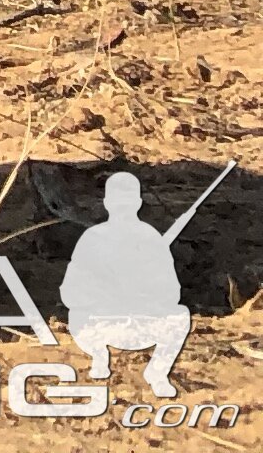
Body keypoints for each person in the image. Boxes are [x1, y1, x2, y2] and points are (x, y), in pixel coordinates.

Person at [62, 170, 195, 396]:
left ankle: (157, 372)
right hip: (98, 325)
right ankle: (99, 356)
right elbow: (69, 293)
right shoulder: (92, 238)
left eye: (127, 202)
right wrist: (102, 294)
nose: (122, 207)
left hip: (140, 324)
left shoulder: (151, 238)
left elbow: (172, 293)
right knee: (76, 315)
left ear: (137, 203)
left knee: (180, 315)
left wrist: (144, 292)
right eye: (118, 202)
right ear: (107, 203)